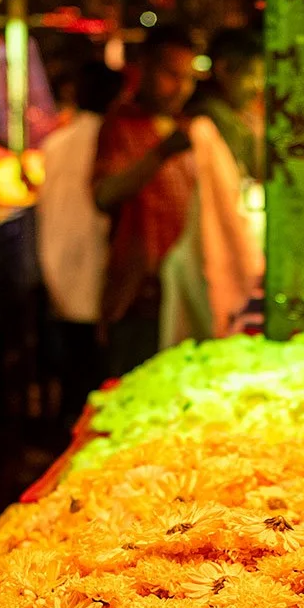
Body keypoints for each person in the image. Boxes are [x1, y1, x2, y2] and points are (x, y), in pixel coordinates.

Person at [92, 24, 199, 377]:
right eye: (172, 75)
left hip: (181, 292)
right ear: (145, 68)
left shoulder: (185, 127)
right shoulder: (122, 125)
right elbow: (104, 195)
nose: (181, 88)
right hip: (137, 296)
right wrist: (159, 155)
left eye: (188, 78)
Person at [39, 61, 123, 431]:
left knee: (70, 358)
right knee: (92, 365)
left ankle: (65, 424)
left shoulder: (57, 142)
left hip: (54, 258)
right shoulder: (112, 141)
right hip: (92, 263)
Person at [187, 27, 264, 182]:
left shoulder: (235, 115)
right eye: (250, 74)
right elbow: (256, 173)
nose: (258, 86)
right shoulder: (211, 117)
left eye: (261, 76)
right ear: (223, 69)